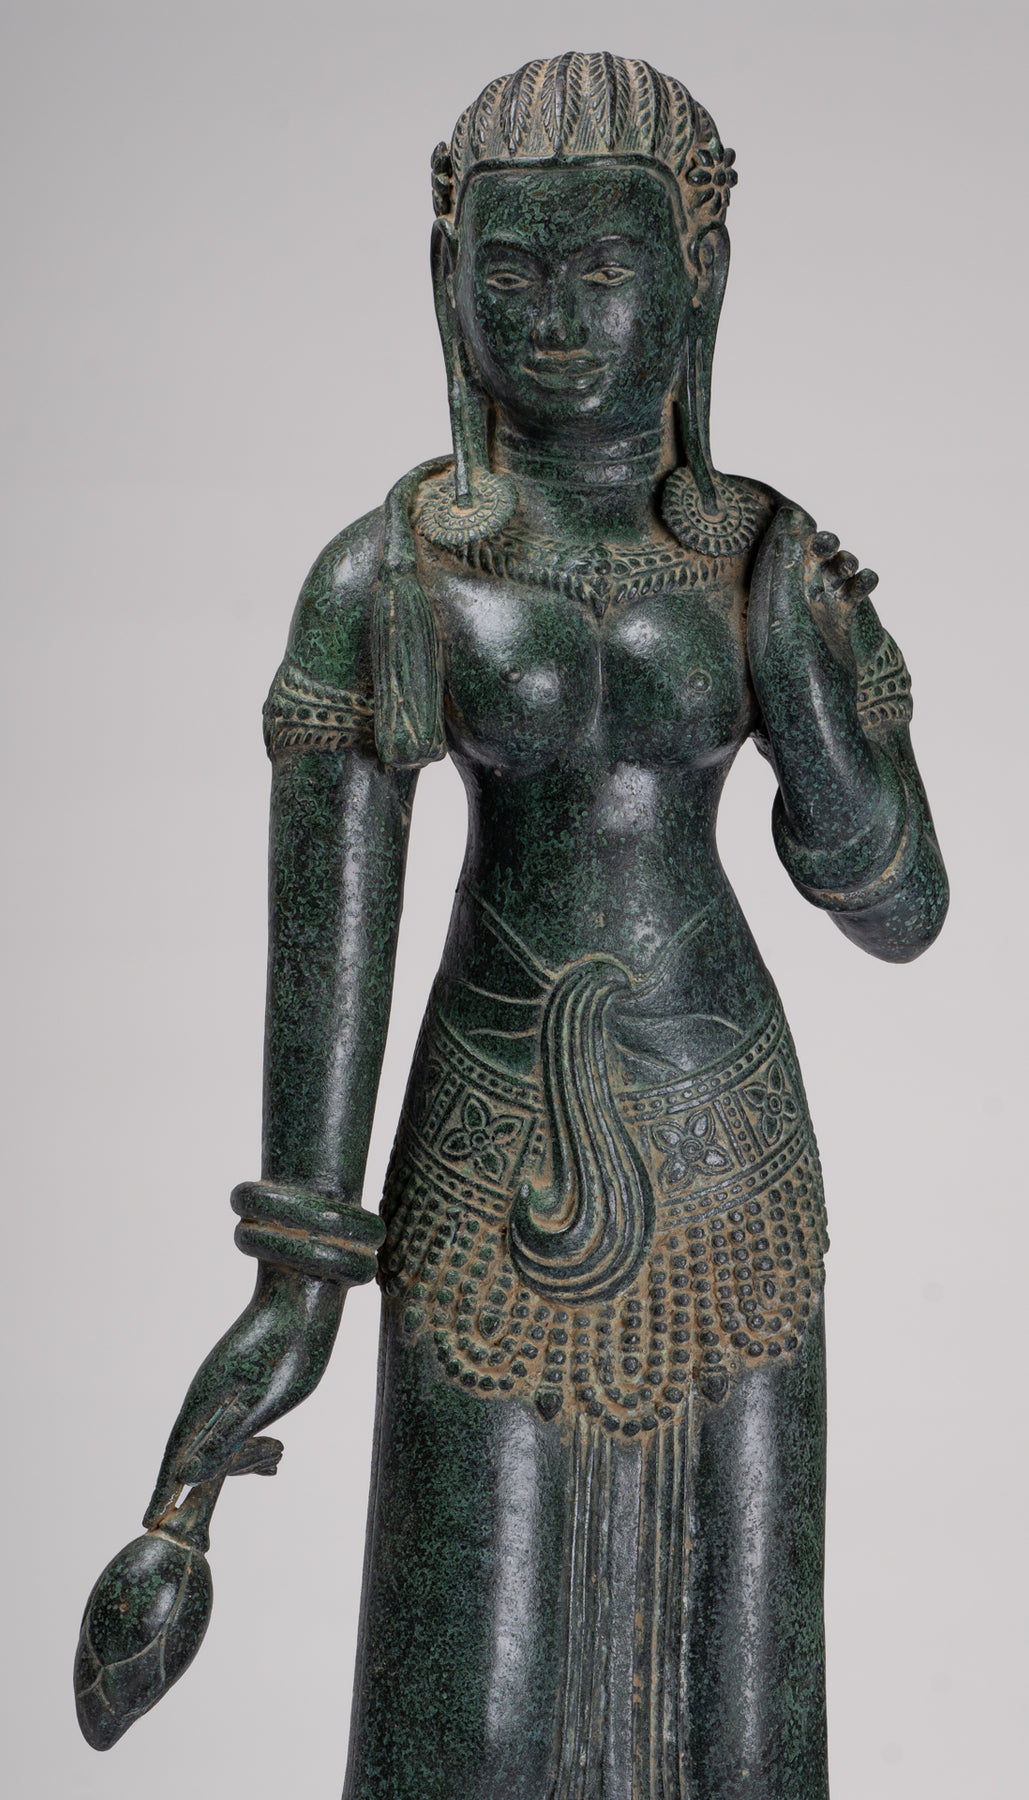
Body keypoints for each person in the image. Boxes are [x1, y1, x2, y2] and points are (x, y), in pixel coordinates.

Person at [139, 53, 948, 1800]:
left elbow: (902, 911)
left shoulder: (764, 556)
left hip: (726, 1149)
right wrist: (294, 1285)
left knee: (738, 1680)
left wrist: (808, 687)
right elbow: (330, 945)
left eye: (602, 270)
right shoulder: (390, 576)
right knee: (473, 1672)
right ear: (448, 282)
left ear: (696, 276)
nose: (557, 321)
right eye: (511, 274)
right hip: (485, 1146)